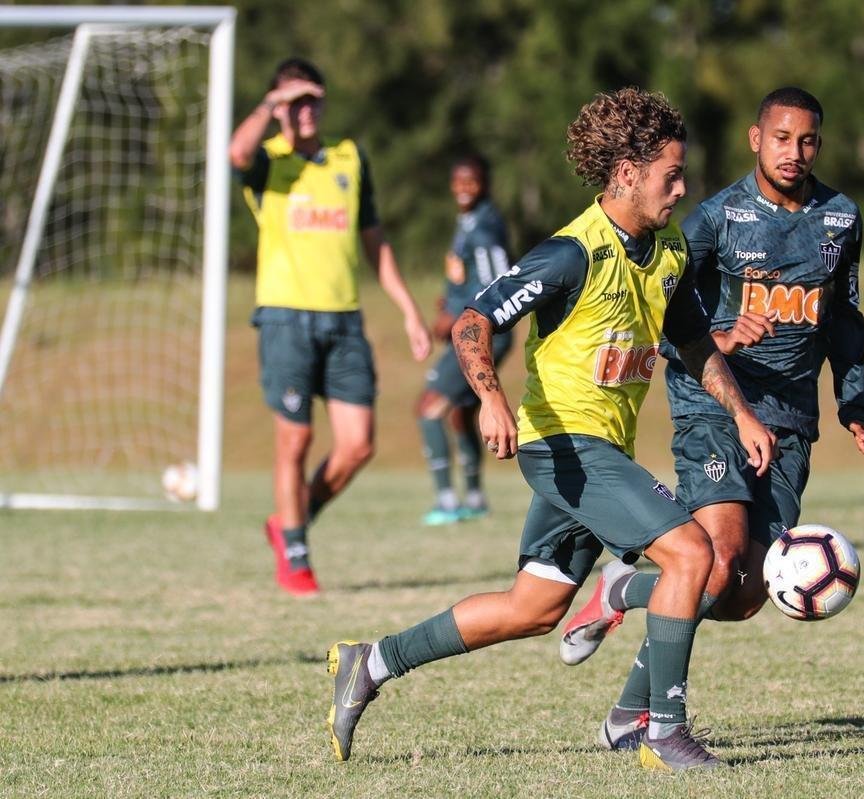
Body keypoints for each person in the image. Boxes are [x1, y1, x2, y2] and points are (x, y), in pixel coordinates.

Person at [325, 87, 777, 773]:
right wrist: (491, 398)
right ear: (627, 173)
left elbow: (691, 342)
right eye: (671, 176)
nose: (682, 189)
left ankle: (373, 660)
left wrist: (742, 412)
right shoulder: (572, 254)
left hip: (600, 451)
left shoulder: (668, 250)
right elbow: (475, 320)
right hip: (563, 444)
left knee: (532, 607)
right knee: (695, 555)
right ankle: (662, 730)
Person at [557, 86, 864, 751]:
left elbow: (845, 319)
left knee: (742, 591)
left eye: (809, 140)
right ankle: (655, 721)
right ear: (755, 138)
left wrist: (856, 404)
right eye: (782, 138)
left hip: (790, 420)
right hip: (715, 409)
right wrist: (722, 334)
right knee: (720, 556)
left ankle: (625, 610)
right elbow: (666, 308)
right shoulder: (715, 218)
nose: (795, 152)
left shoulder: (840, 219)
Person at [228, 58, 432, 595]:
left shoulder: (348, 157)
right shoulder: (268, 161)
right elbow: (236, 152)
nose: (306, 109)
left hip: (343, 322)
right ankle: (296, 555)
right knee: (294, 439)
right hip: (285, 320)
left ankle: (289, 522)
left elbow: (375, 241)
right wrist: (272, 105)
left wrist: (409, 310)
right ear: (277, 108)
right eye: (294, 100)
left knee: (358, 445)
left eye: (312, 98)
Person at [416, 155, 515, 525]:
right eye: (458, 180)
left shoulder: (485, 229)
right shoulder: (469, 222)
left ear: (485, 183)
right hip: (476, 332)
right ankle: (473, 498)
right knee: (460, 413)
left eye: (470, 180)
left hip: (480, 335)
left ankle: (446, 501)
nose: (463, 187)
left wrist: (461, 314)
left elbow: (499, 284)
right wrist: (452, 299)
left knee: (428, 409)